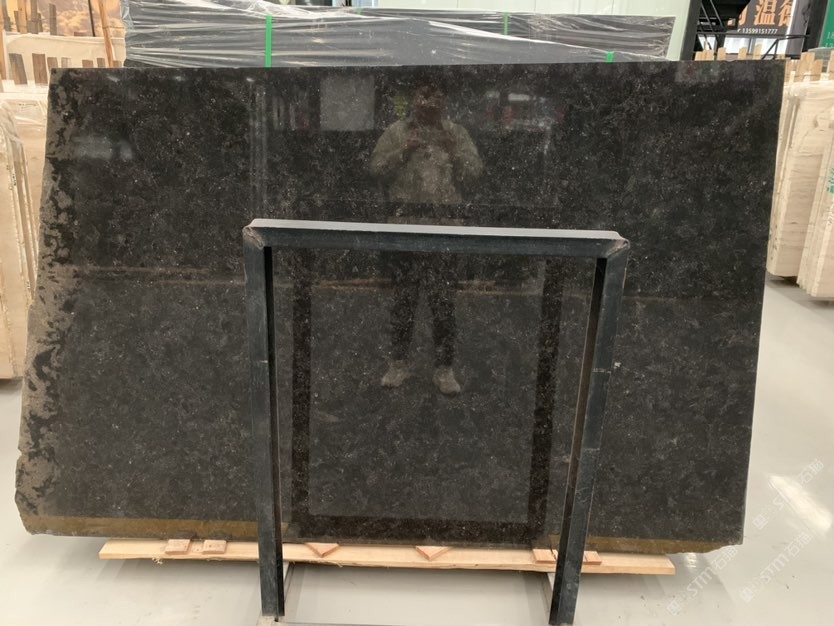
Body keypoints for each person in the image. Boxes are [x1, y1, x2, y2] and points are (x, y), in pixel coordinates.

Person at [369, 82, 483, 395]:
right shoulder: (397, 132)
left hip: (445, 230)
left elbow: (475, 174)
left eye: (437, 97)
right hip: (405, 229)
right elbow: (375, 169)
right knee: (403, 301)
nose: (429, 102)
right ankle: (398, 363)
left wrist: (454, 151)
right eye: (423, 95)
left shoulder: (456, 133)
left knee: (443, 303)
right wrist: (404, 150)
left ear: (445, 101)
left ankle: (444, 369)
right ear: (414, 99)